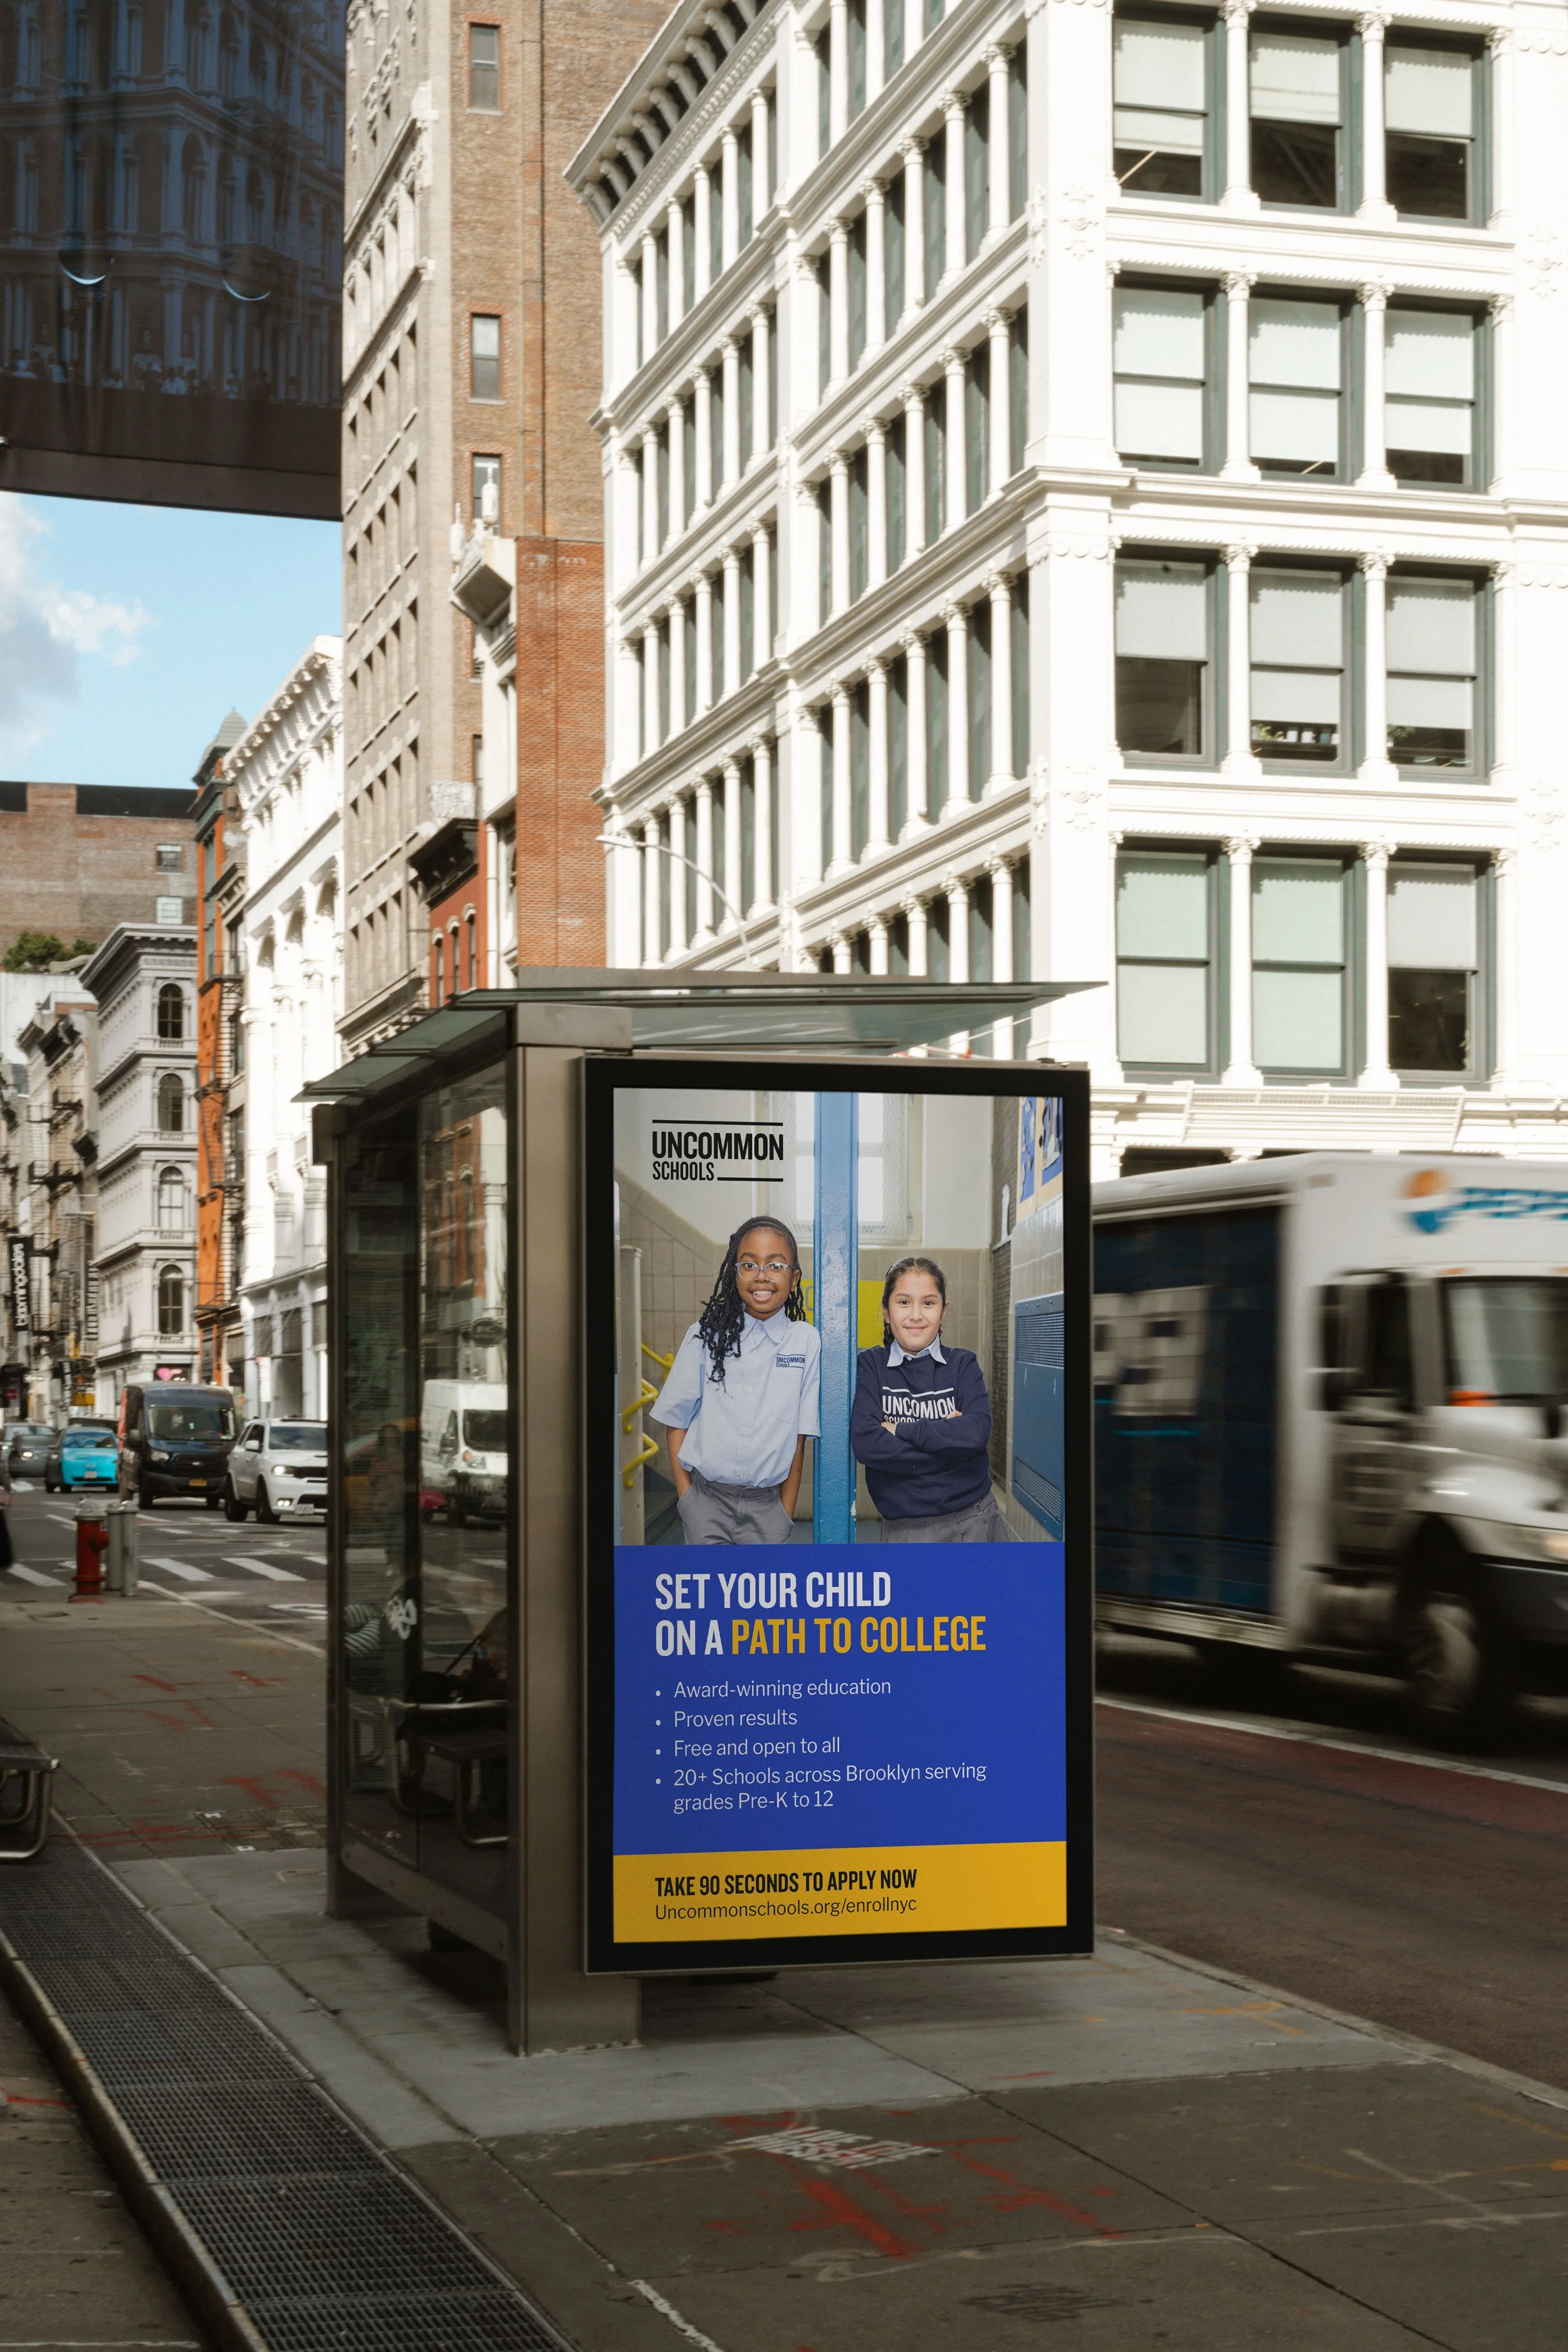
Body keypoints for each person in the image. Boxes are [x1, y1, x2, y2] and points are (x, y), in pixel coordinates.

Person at [650, 1218, 820, 1546]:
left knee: (763, 1597)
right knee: (710, 1596)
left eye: (776, 1265)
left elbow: (799, 1438)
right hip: (705, 1502)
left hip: (769, 1509)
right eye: (749, 1264)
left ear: (794, 1278)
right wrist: (688, 1501)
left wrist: (785, 1512)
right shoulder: (705, 1334)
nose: (761, 1276)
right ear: (734, 1273)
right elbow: (676, 1420)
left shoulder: (805, 1341)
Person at [850, 1256, 1012, 1543]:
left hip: (974, 1521)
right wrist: (949, 1444)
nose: (916, 1315)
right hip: (904, 1532)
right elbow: (867, 1444)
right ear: (886, 1311)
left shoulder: (963, 1364)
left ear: (943, 1310)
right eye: (903, 1302)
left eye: (928, 1302)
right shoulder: (871, 1365)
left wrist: (900, 1430)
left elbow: (976, 1434)